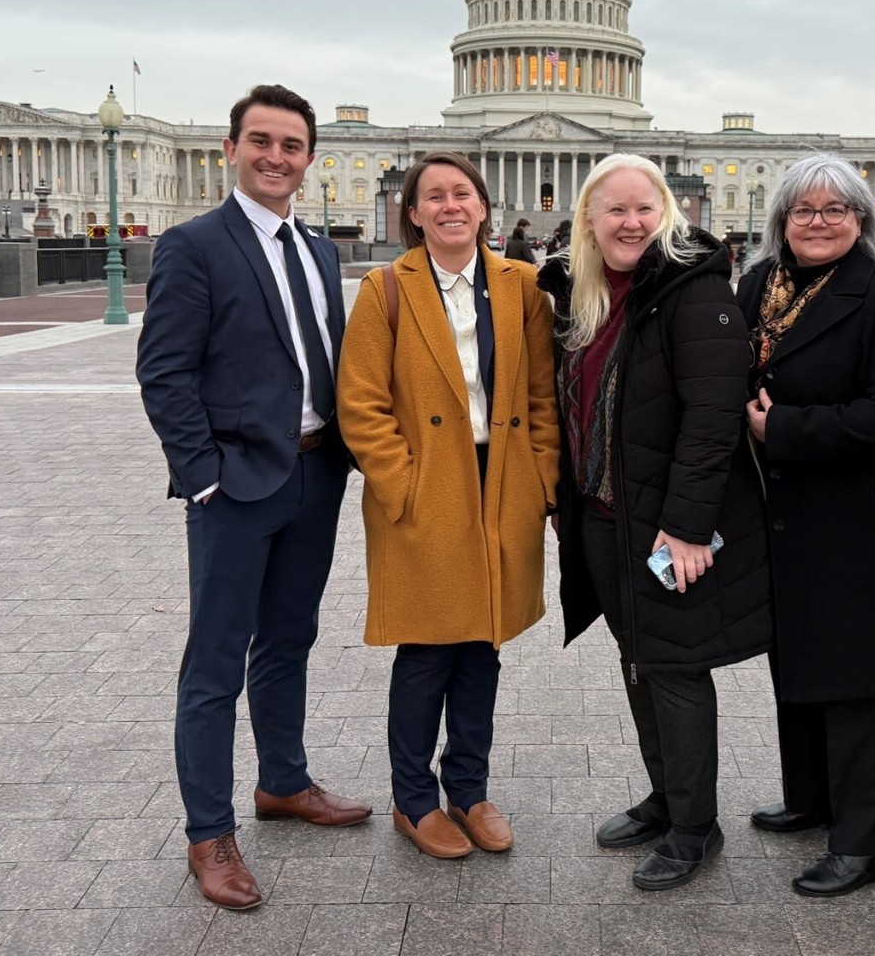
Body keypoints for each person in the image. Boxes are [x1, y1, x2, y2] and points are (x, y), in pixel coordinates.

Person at [136, 84, 371, 911]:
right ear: (233, 148)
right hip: (236, 484)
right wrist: (204, 475)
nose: (276, 157)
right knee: (214, 662)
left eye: (292, 145)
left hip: (314, 474)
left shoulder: (316, 248)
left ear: (309, 158)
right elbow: (163, 370)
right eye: (261, 141)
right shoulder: (195, 244)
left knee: (289, 640)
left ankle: (283, 781)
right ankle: (209, 832)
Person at [538, 154, 772, 891]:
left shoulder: (695, 293)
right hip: (606, 512)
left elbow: (711, 423)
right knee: (638, 657)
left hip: (666, 523)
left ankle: (695, 827)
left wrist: (687, 527)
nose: (631, 222)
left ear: (667, 213)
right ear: (588, 220)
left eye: (645, 209)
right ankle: (667, 795)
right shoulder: (584, 296)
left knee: (673, 666)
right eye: (615, 210)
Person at [336, 152, 559, 859]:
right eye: (433, 196)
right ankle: (414, 799)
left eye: (461, 193)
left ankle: (468, 789)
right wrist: (401, 484)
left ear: (484, 208)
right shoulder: (385, 288)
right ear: (413, 213)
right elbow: (361, 402)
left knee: (481, 647)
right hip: (429, 482)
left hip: (502, 482)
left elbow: (542, 399)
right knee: (427, 648)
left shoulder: (521, 285)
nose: (449, 205)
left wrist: (542, 483)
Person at [736, 154, 875, 898]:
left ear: (861, 220)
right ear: (780, 221)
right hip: (784, 513)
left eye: (834, 210)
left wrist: (784, 429)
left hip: (861, 519)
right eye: (802, 211)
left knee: (857, 681)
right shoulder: (758, 286)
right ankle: (810, 797)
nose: (817, 223)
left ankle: (863, 840)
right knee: (798, 663)